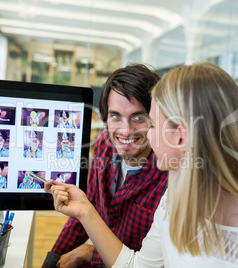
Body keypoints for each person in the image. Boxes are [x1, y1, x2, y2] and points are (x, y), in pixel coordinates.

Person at [46, 62, 238, 267]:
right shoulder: (177, 195)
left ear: (180, 136)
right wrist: (83, 212)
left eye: (150, 122)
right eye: (116, 116)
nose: (139, 134)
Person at [42, 64, 168, 268]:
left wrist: (90, 253)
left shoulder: (168, 177)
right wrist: (51, 261)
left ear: (155, 119)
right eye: (116, 116)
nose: (126, 131)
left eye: (138, 117)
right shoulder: (104, 145)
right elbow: (85, 209)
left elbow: (152, 261)